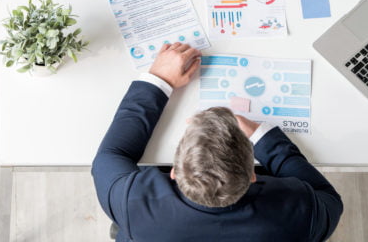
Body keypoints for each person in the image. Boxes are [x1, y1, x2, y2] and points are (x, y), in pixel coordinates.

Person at [92, 42, 343, 242]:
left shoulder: (132, 203)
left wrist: (160, 79)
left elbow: (109, 157)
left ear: (174, 172)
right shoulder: (300, 211)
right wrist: (262, 137)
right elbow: (329, 199)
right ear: (253, 175)